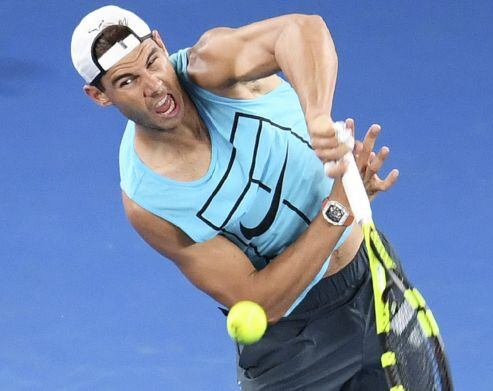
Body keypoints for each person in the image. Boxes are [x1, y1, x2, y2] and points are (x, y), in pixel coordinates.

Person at [71, 5, 399, 390]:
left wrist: (316, 116)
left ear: (160, 42)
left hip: (374, 284)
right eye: (127, 81)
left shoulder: (212, 66)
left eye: (153, 61)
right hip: (293, 350)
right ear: (99, 96)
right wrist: (339, 208)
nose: (154, 86)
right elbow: (261, 302)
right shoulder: (150, 201)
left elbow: (300, 30)